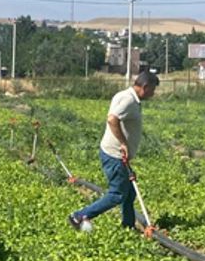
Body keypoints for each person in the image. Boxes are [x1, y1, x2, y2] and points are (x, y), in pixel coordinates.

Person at [67, 71, 158, 233]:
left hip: (117, 155)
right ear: (145, 86)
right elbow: (112, 119)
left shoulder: (124, 95)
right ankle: (79, 216)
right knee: (117, 194)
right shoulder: (129, 100)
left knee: (129, 193)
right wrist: (123, 143)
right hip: (115, 155)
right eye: (152, 89)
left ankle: (128, 226)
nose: (153, 94)